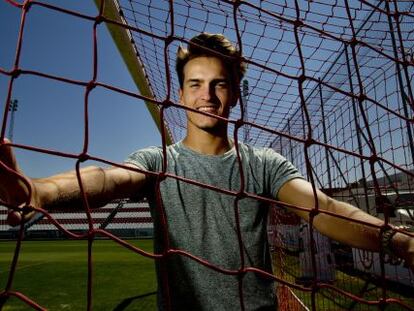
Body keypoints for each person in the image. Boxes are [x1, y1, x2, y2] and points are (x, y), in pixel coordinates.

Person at [0, 33, 413, 310]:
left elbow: (324, 208)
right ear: (180, 94)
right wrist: (39, 192)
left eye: (219, 84)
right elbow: (107, 179)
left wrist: (398, 241)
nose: (207, 96)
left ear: (234, 93)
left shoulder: (263, 163)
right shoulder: (158, 162)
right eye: (196, 84)